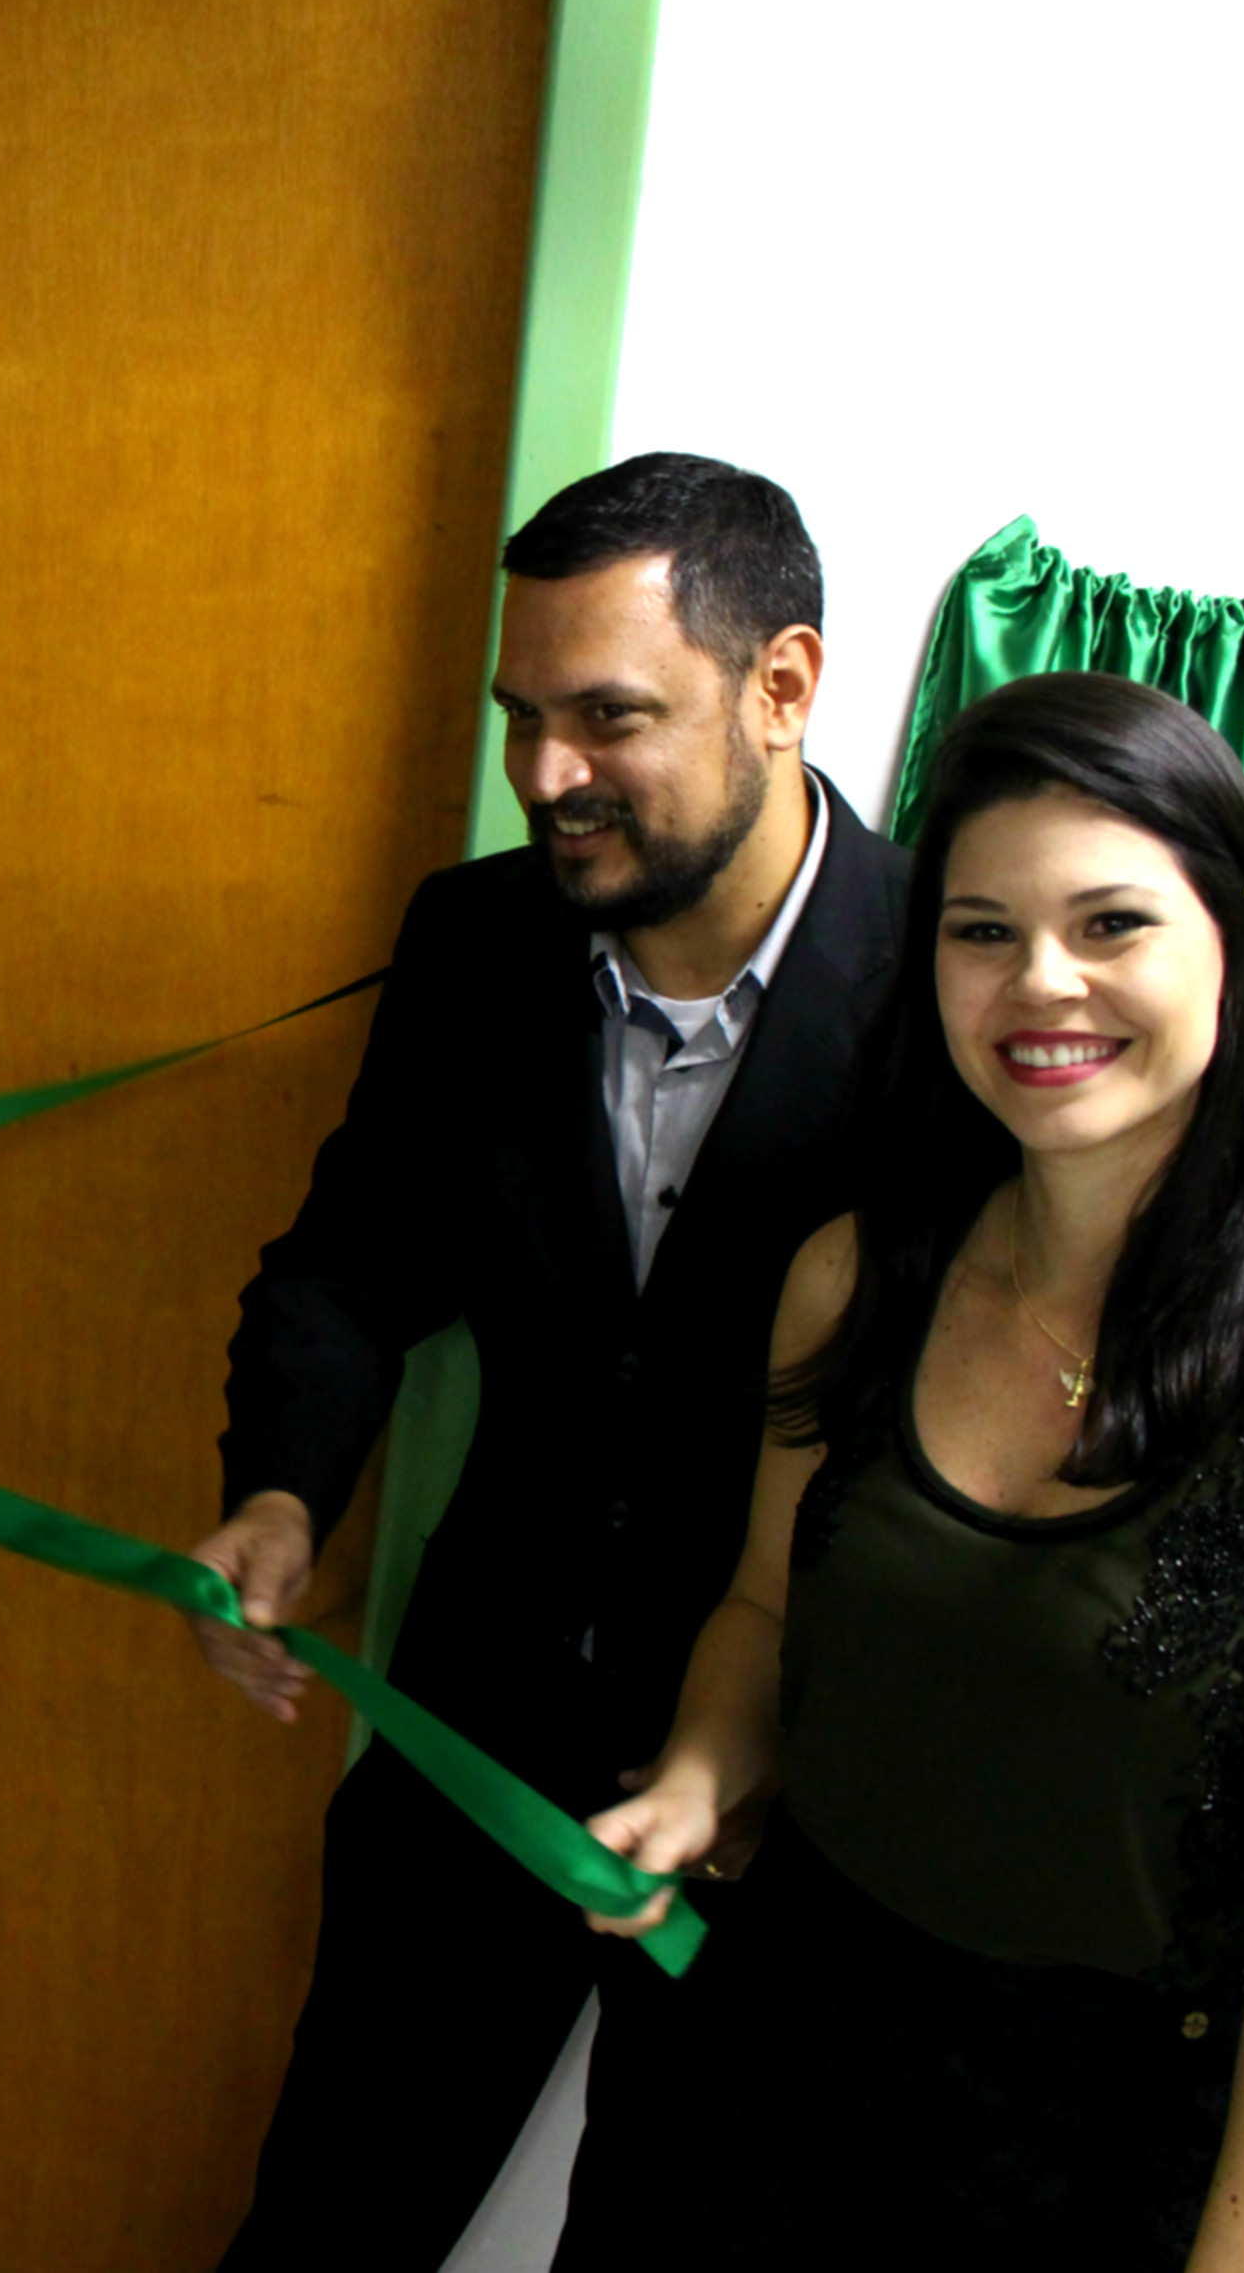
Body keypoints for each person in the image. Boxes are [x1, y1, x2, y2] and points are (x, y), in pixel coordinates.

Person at [585, 673, 1244, 2272]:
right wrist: (700, 1777)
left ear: (1242, 937)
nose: (1041, 981)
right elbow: (764, 1615)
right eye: (982, 930)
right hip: (761, 2077)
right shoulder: (852, 1278)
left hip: (1093, 2163)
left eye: (1112, 923)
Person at [188, 452, 909, 2269]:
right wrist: (279, 1493)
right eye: (522, 715)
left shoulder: (947, 982)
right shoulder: (474, 939)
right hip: (480, 1715)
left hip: (791, 1790)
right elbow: (351, 1263)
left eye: (608, 717)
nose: (544, 774)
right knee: (331, 2212)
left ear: (782, 685)